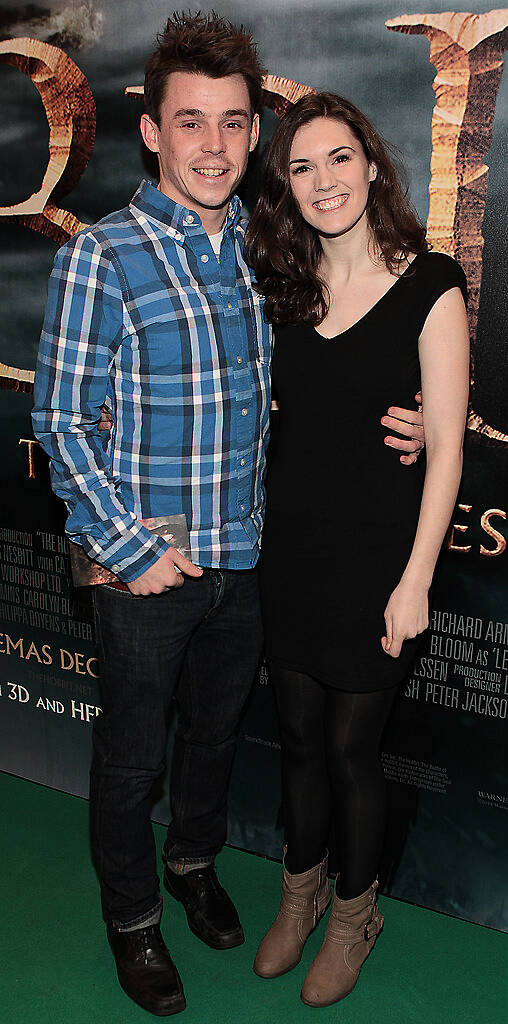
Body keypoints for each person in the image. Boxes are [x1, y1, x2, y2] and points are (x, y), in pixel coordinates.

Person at [32, 13, 425, 1017]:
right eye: (190, 122)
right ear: (152, 131)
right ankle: (131, 920)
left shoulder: (264, 253)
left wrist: (416, 419)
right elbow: (62, 423)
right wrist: (129, 548)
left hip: (248, 562)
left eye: (234, 123)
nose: (214, 145)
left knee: (213, 741)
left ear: (255, 134)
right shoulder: (103, 259)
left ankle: (193, 864)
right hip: (145, 572)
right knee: (130, 760)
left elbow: (325, 367)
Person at [245, 92, 469, 1007]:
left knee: (350, 750)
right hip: (291, 550)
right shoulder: (282, 289)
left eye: (339, 159)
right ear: (288, 187)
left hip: (384, 560)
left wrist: (417, 578)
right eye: (302, 167)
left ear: (373, 167)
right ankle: (297, 900)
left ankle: (353, 916)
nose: (323, 181)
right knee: (296, 738)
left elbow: (448, 445)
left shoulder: (431, 282)